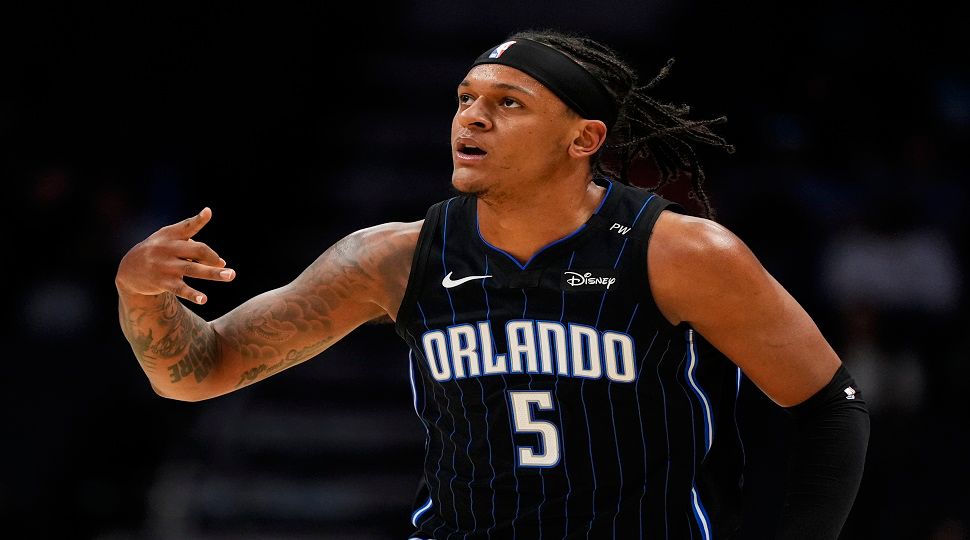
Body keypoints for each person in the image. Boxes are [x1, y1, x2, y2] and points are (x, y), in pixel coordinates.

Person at [116, 30, 870, 539]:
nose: (471, 118)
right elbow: (200, 371)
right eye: (465, 98)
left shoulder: (681, 253)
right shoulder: (391, 258)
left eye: (507, 103)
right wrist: (141, 296)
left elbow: (828, 406)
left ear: (583, 139)